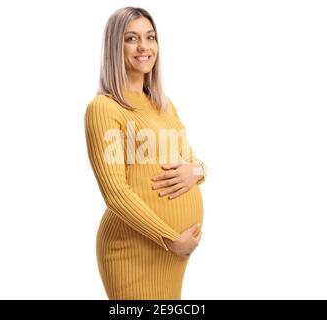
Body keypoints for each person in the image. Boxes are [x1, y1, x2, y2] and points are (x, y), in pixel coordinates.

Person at [84, 6, 208, 299]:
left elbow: (191, 160)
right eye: (131, 38)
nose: (144, 47)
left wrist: (200, 171)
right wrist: (169, 238)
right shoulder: (104, 108)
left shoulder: (163, 104)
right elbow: (115, 191)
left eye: (150, 37)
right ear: (115, 46)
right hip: (133, 248)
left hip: (175, 251)